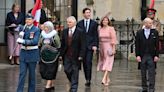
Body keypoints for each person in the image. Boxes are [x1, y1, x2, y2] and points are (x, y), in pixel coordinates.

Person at [60, 16, 86, 92]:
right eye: (67, 22)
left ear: (75, 23)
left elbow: (83, 45)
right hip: (67, 55)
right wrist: (61, 54)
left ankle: (74, 88)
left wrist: (81, 55)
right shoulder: (65, 31)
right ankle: (72, 81)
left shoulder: (80, 31)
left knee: (75, 71)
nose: (68, 23)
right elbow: (63, 44)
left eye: (70, 22)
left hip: (76, 55)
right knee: (67, 70)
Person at [16, 14, 40, 92]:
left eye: (29, 19)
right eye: (26, 19)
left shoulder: (36, 29)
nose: (28, 21)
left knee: (32, 75)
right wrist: (20, 37)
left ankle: (31, 90)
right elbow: (19, 41)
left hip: (32, 54)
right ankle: (19, 90)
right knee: (22, 74)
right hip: (23, 53)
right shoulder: (23, 28)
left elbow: (35, 41)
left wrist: (24, 41)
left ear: (33, 20)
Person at [135, 18, 159, 92]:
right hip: (143, 55)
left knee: (152, 72)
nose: (150, 24)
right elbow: (137, 45)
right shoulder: (139, 32)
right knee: (143, 72)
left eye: (151, 23)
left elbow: (157, 45)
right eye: (149, 23)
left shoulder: (155, 32)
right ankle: (144, 86)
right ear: (145, 24)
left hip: (151, 55)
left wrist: (156, 55)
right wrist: (137, 55)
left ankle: (152, 87)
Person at [77, 7, 98, 87]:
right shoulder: (79, 23)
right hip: (81, 47)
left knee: (88, 62)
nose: (88, 14)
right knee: (84, 63)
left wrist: (95, 45)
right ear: (83, 14)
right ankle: (86, 77)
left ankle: (88, 79)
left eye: (89, 12)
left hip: (90, 47)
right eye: (87, 12)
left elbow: (95, 35)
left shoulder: (94, 23)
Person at [39, 21, 61, 92]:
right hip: (44, 56)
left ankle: (48, 86)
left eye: (47, 27)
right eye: (45, 27)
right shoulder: (42, 35)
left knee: (51, 70)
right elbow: (39, 43)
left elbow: (58, 45)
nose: (46, 29)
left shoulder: (55, 35)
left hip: (53, 56)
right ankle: (51, 84)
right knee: (43, 70)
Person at [97, 16, 117, 86]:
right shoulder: (100, 29)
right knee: (103, 62)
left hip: (109, 46)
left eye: (106, 20)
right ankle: (107, 79)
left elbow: (113, 39)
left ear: (108, 21)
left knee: (108, 62)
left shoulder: (111, 29)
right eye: (103, 20)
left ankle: (104, 78)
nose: (105, 21)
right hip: (102, 46)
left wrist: (114, 49)